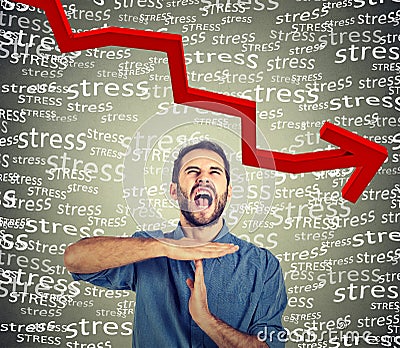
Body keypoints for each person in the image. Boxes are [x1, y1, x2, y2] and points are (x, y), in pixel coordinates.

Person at [64, 140, 287, 347]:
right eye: (192, 171)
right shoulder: (147, 249)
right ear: (174, 191)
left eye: (214, 172)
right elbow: (74, 259)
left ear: (228, 193)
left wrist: (206, 320)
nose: (204, 178)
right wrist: (162, 246)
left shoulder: (263, 265)